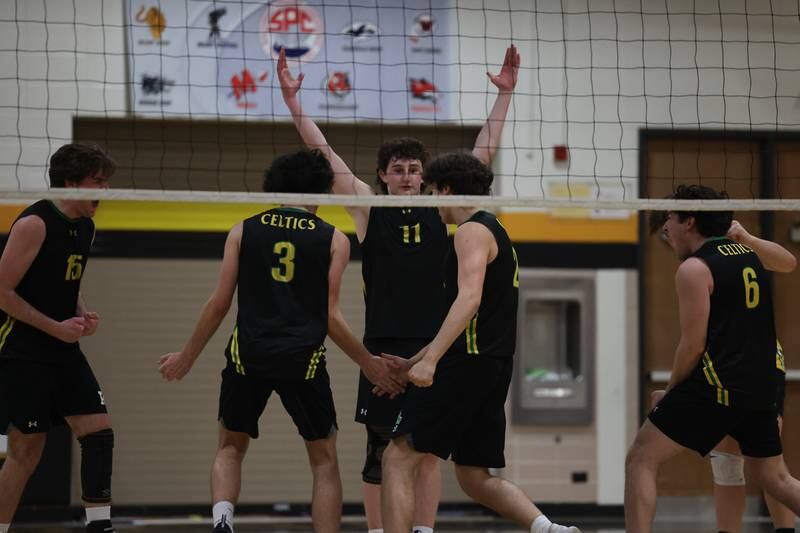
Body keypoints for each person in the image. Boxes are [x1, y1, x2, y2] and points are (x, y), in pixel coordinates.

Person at [277, 44, 520, 533]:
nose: (408, 177)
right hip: (383, 350)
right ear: (384, 176)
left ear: (427, 179)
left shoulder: (442, 209)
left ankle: (424, 530)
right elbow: (323, 153)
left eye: (415, 170)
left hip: (433, 348)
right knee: (380, 449)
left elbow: (482, 153)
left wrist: (504, 97)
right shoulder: (367, 208)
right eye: (399, 170)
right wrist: (292, 102)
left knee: (424, 451)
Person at [158, 149, 402, 533]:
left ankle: (223, 522)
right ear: (320, 191)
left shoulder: (243, 228)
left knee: (229, 447)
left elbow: (219, 303)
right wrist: (368, 362)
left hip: (247, 355)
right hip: (301, 358)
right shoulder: (334, 239)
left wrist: (187, 357)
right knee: (323, 460)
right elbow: (331, 317)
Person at [379, 152, 581, 533]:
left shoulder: (471, 231)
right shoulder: (497, 230)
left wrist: (430, 361)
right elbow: (467, 316)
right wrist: (412, 363)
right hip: (491, 364)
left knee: (398, 456)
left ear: (448, 190)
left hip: (466, 363)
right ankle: (550, 530)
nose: (430, 201)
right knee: (473, 475)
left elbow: (469, 301)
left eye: (433, 192)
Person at [626, 185, 800, 533]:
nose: (666, 229)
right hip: (763, 383)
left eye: (670, 221)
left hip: (722, 386)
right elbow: (787, 261)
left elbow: (692, 345)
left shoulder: (695, 268)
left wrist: (671, 394)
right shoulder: (748, 254)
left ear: (690, 221)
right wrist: (747, 238)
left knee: (642, 455)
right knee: (772, 476)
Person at [0, 143, 116, 533]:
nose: (104, 190)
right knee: (26, 453)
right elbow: (2, 293)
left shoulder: (85, 225)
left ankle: (100, 527)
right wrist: (56, 327)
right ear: (70, 182)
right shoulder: (35, 223)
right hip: (23, 350)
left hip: (63, 349)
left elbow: (64, 280)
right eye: (96, 182)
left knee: (99, 433)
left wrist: (81, 312)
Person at [710, 221, 797, 533]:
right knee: (726, 463)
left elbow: (788, 262)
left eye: (670, 223)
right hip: (723, 368)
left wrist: (747, 237)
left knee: (770, 466)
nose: (667, 230)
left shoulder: (738, 253)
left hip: (760, 365)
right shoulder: (697, 260)